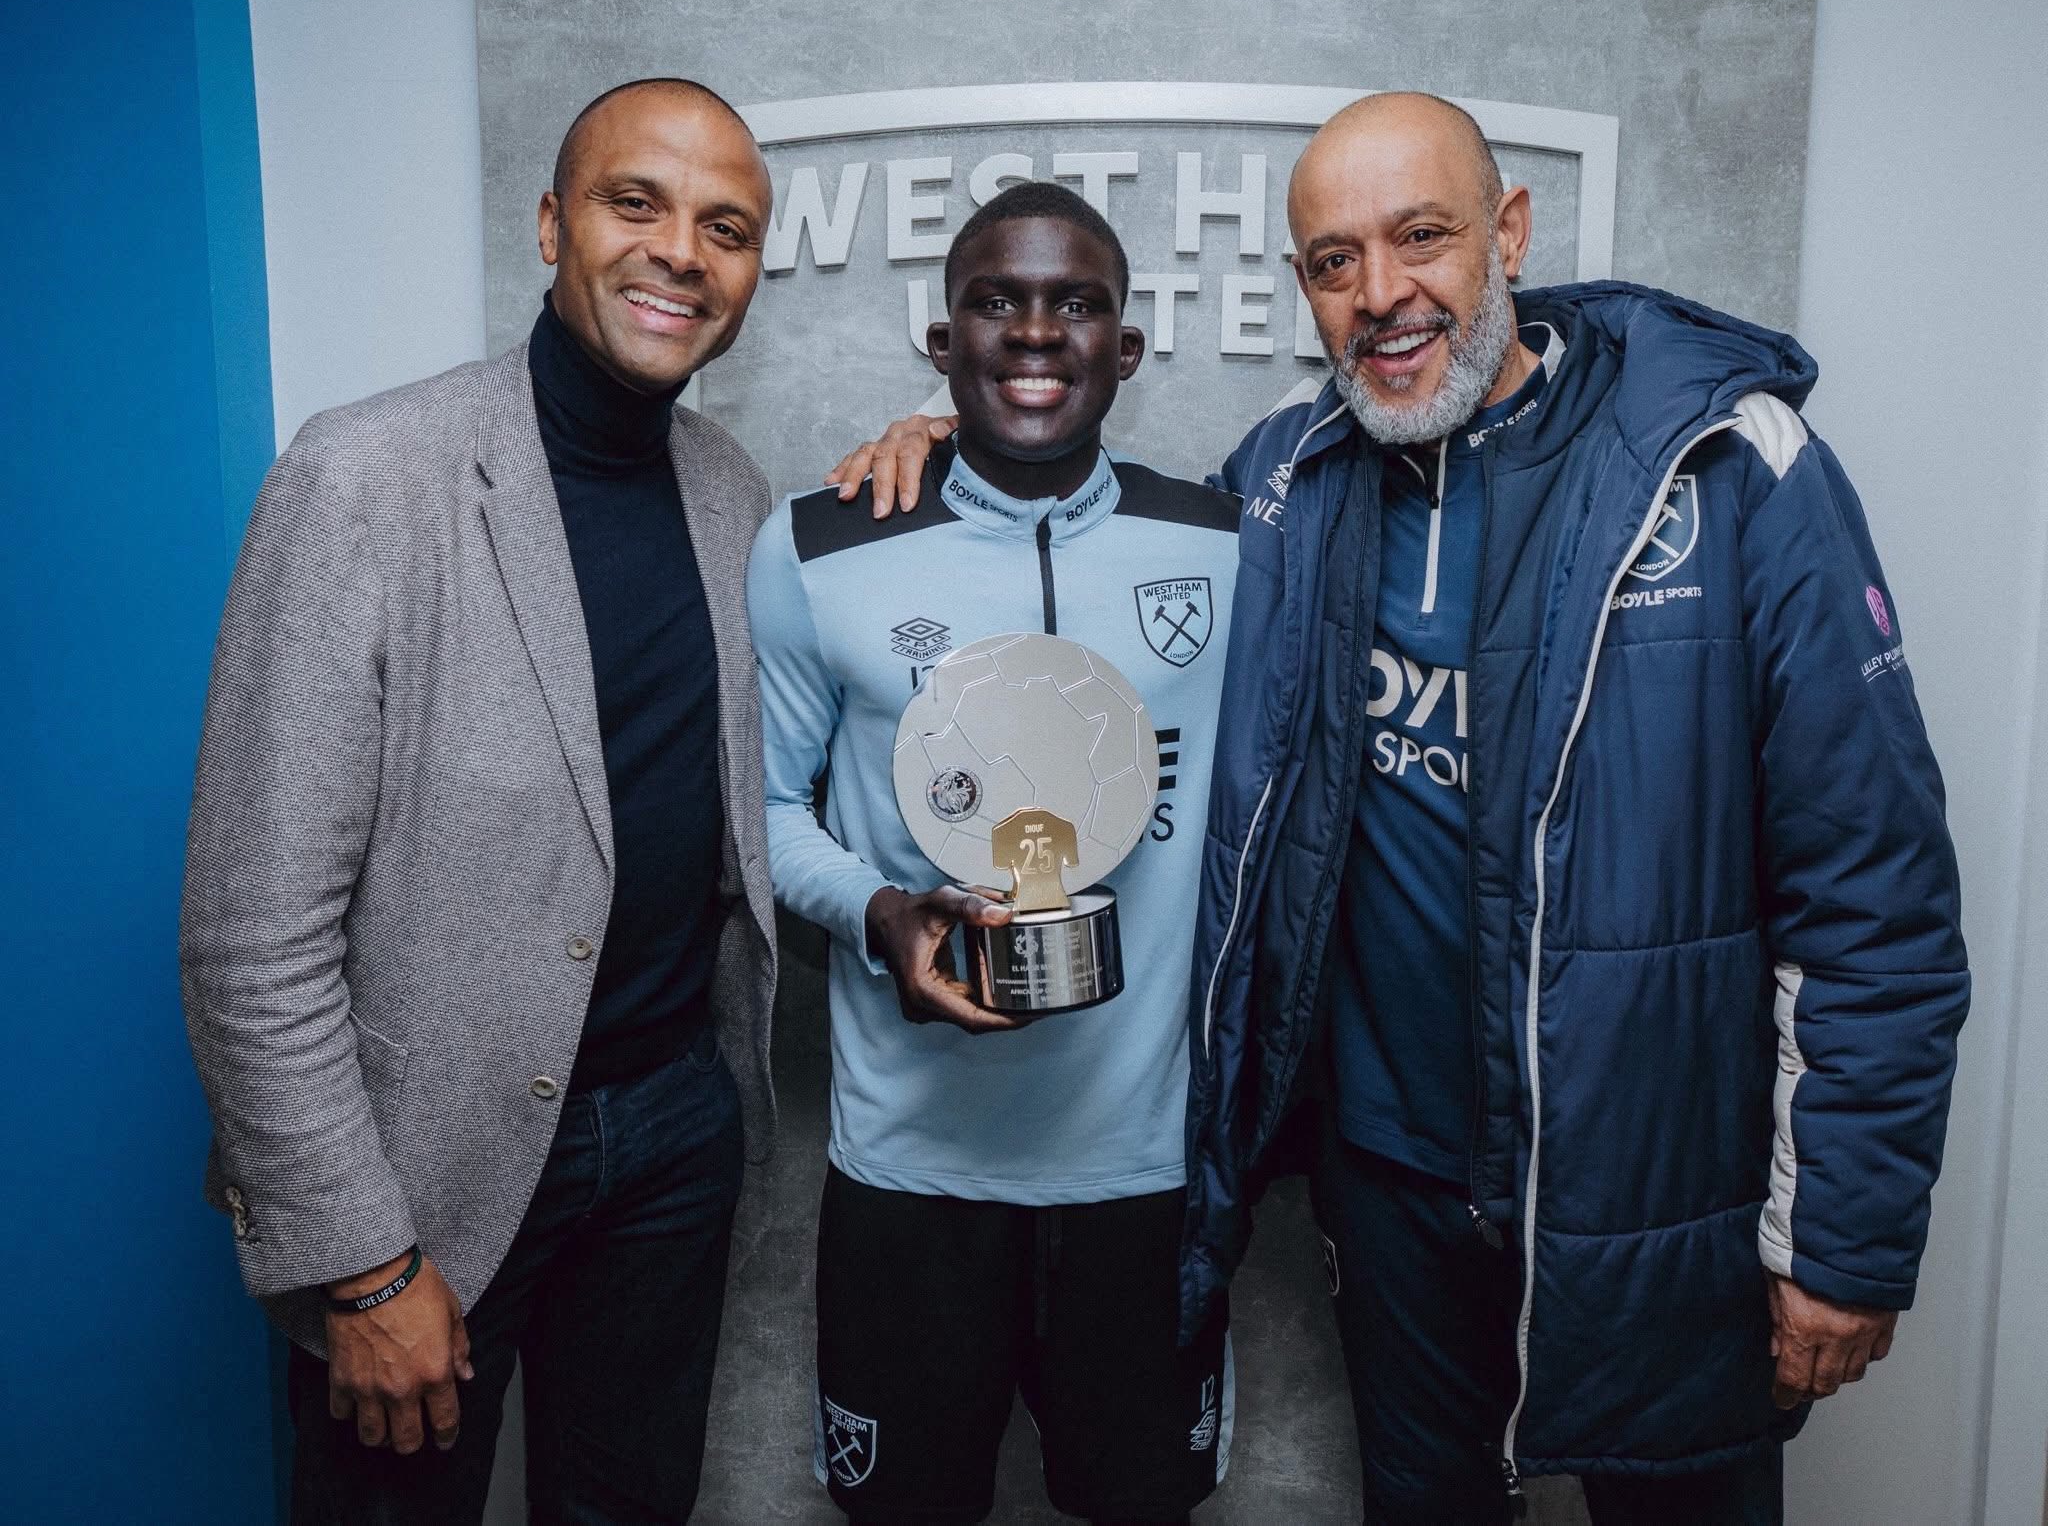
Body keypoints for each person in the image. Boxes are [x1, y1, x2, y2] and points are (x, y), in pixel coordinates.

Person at [825, 94, 1970, 1525]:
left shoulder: (1726, 469)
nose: (1381, 294)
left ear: (1509, 233)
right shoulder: (1284, 488)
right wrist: (964, 444)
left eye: (1421, 236)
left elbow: (1875, 891)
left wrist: (1845, 1237)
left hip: (1652, 1185)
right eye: (1334, 260)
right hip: (1389, 1190)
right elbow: (1098, 562)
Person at [181, 78, 779, 1524]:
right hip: (422, 1164)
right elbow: (248, 940)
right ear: (551, 225)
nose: (681, 252)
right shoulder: (362, 479)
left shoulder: (732, 493)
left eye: (727, 228)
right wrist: (360, 1263)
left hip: (672, 1137)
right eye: (635, 203)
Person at [750, 181, 1240, 1526]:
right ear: (942, 339)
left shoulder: (1227, 545)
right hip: (910, 1171)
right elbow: (765, 812)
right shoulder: (818, 544)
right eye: (994, 301)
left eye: (1075, 304)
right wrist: (879, 912)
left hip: (1144, 1174)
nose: (1034, 332)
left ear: (1126, 348)